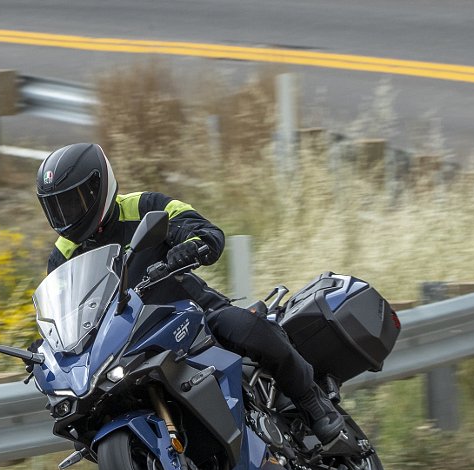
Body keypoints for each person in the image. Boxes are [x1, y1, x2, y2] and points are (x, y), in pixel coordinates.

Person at [36, 142, 345, 446]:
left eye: (73, 202)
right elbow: (60, 309)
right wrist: (44, 343)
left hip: (191, 314)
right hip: (124, 343)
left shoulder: (144, 206)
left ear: (98, 188)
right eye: (56, 207)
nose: (66, 215)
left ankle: (312, 402)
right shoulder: (62, 255)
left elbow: (202, 229)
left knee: (246, 329)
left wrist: (192, 245)